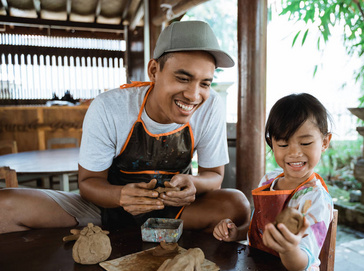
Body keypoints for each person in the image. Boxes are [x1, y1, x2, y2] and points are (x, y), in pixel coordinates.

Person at [0, 20, 250, 234]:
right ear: (154, 70)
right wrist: (120, 196)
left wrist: (194, 184)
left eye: (205, 83)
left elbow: (214, 177)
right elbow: (88, 183)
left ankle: (161, 235)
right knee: (5, 205)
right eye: (182, 78)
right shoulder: (110, 107)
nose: (194, 95)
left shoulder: (211, 106)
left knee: (237, 204)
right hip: (106, 210)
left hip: (175, 212)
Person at [213, 93, 333, 271]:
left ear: (324, 142)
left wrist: (289, 249)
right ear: (272, 144)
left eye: (306, 143)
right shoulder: (269, 181)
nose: (294, 152)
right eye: (283, 144)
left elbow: (302, 263)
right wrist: (237, 232)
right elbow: (259, 227)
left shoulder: (317, 198)